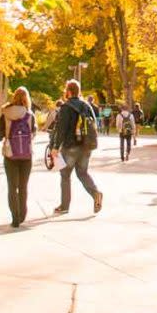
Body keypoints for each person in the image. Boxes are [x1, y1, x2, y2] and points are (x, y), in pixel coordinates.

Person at [52, 79, 103, 216]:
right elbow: (94, 124)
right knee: (82, 173)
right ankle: (96, 193)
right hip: (86, 146)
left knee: (65, 175)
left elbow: (61, 129)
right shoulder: (87, 106)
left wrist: (55, 147)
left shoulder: (66, 107)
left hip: (70, 146)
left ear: (68, 91)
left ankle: (64, 206)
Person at [0, 86, 37, 228]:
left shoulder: (5, 113)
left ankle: (15, 217)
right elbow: (33, 132)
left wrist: (7, 136)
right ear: (27, 99)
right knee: (23, 186)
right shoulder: (30, 115)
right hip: (26, 155)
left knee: (12, 187)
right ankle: (23, 213)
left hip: (10, 154)